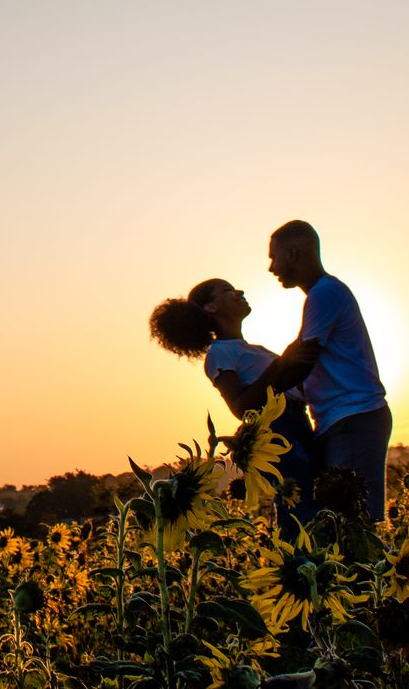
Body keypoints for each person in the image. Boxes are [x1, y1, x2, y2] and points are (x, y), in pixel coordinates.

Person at [149, 278, 321, 524]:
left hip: (298, 423)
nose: (239, 291)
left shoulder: (251, 349)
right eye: (227, 290)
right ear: (211, 307)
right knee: (300, 508)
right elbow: (241, 406)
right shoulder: (219, 353)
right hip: (279, 431)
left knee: (313, 500)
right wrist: (282, 363)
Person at [268, 220, 391, 522]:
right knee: (339, 523)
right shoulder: (323, 294)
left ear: (293, 254)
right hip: (343, 420)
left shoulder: (325, 294)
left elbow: (303, 359)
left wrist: (263, 395)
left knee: (352, 524)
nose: (271, 268)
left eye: (274, 257)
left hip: (353, 417)